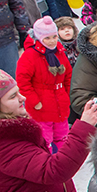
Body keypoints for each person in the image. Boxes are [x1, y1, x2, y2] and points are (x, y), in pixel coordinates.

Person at [15, 16, 73, 150]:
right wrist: (34, 101)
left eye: (54, 36)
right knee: (44, 138)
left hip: (60, 101)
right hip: (41, 105)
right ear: (39, 38)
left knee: (62, 135)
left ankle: (61, 161)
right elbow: (23, 81)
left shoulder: (59, 52)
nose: (52, 41)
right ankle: (46, 162)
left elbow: (68, 75)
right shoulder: (30, 55)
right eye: (47, 38)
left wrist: (67, 94)